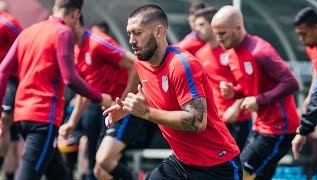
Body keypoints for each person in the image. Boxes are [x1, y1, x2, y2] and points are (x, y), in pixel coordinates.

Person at [104, 4, 242, 179]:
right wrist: (126, 108)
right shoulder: (141, 63)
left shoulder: (182, 65)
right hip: (182, 162)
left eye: (137, 33)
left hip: (217, 165)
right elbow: (155, 90)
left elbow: (197, 121)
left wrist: (146, 112)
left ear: (159, 32)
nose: (131, 40)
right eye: (129, 33)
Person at [0, 0, 112, 179]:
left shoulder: (28, 32)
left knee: (59, 174)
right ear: (75, 14)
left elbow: (3, 70)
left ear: (54, 8)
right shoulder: (63, 32)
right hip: (43, 120)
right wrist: (100, 97)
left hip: (22, 117)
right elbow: (71, 79)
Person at [211, 5, 300, 180]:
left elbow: (291, 83)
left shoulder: (260, 51)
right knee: (255, 176)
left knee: (242, 173)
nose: (218, 39)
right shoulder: (232, 53)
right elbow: (250, 87)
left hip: (279, 129)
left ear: (237, 28)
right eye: (216, 34)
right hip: (260, 126)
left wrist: (259, 100)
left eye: (222, 33)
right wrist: (234, 92)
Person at [58, 15, 142, 180]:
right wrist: (72, 123)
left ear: (74, 19)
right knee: (99, 170)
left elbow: (135, 64)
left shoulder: (97, 42)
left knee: (104, 161)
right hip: (108, 111)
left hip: (127, 109)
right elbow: (85, 92)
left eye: (61, 24)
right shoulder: (75, 51)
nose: (57, 30)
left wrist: (123, 104)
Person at [193, 7, 252, 151]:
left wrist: (236, 107)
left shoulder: (231, 50)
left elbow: (247, 83)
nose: (197, 29)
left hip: (239, 117)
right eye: (195, 25)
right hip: (217, 120)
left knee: (239, 163)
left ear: (213, 25)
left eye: (201, 24)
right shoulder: (200, 54)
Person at [291, 7, 317, 160]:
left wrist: (302, 130)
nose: (301, 39)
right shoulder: (312, 47)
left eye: (304, 34)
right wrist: (310, 95)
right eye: (299, 35)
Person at [0, 2, 23, 179]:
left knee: (5, 123)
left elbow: (27, 43)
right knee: (10, 134)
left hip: (11, 81)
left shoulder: (7, 22)